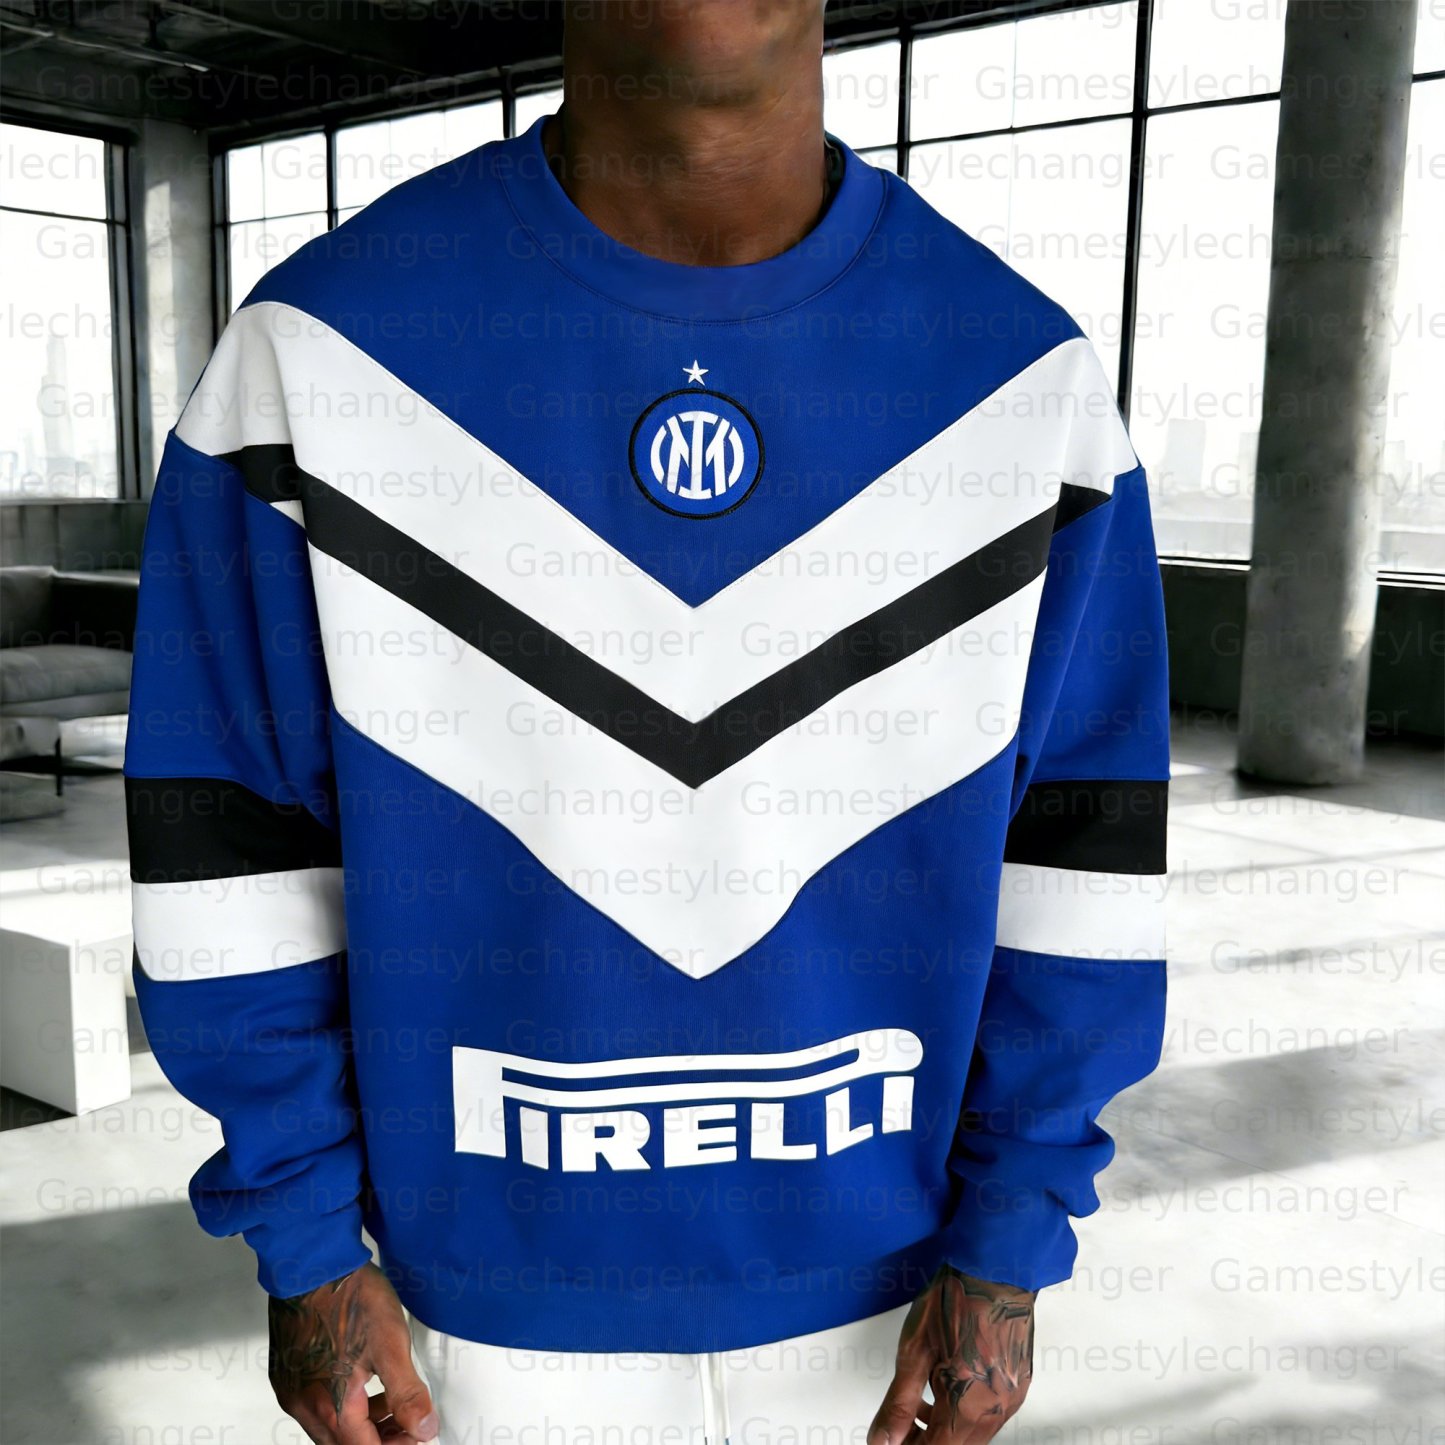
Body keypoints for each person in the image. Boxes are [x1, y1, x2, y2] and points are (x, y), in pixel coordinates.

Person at [123, 1, 1170, 1441]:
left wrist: (1011, 1236)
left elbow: (1082, 853)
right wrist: (301, 1234)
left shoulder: (1022, 383)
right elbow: (228, 846)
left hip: (890, 1307)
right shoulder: (317, 354)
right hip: (460, 1320)